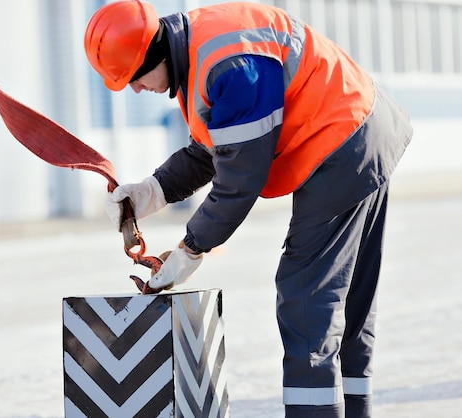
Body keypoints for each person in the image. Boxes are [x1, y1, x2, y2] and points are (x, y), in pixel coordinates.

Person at [84, 1, 413, 417]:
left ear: (153, 53)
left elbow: (240, 179)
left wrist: (190, 248)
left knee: (308, 297)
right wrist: (150, 192)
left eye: (133, 78)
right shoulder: (198, 50)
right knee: (347, 302)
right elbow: (215, 149)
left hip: (342, 143)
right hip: (362, 128)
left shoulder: (229, 66)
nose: (134, 90)